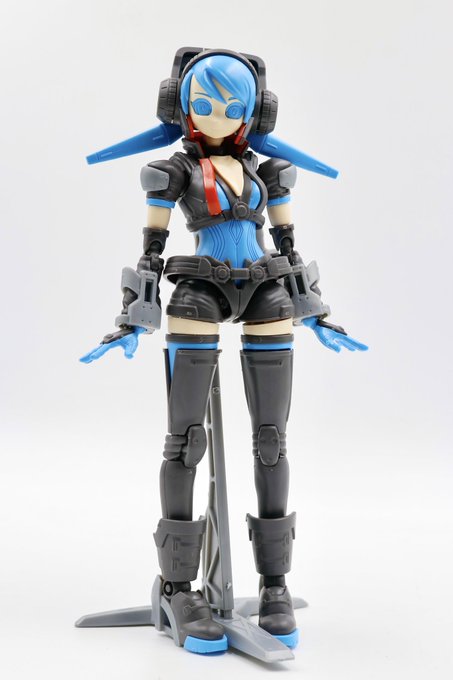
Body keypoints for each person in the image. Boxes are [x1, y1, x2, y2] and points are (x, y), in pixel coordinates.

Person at [81, 47, 367, 654]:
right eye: (203, 103)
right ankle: (179, 588)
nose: (216, 115)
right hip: (198, 290)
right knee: (186, 439)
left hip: (266, 289)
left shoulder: (271, 173)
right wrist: (134, 314)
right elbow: (151, 248)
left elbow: (287, 243)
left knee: (272, 439)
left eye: (231, 105)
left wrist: (315, 309)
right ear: (180, 106)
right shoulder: (173, 172)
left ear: (254, 112)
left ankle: (274, 584)